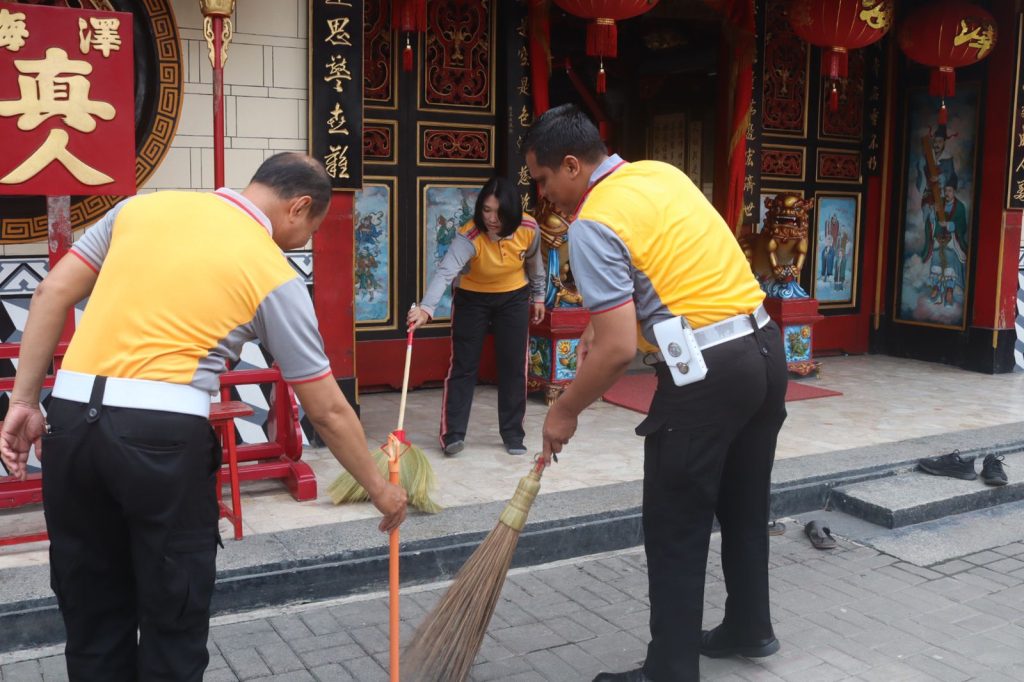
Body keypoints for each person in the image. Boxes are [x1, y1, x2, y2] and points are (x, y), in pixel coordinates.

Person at [0, 153, 408, 681]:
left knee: (92, 614)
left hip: (71, 423)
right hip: (160, 441)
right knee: (173, 617)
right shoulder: (270, 270)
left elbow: (50, 291)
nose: (301, 242)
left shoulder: (138, 210)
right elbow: (327, 408)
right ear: (299, 206)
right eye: (308, 229)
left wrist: (25, 402)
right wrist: (380, 489)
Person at [525, 104, 787, 682]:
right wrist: (600, 320)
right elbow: (670, 266)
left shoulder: (591, 223)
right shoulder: (658, 173)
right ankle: (750, 627)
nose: (545, 198)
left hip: (707, 375)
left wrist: (564, 410)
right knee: (744, 506)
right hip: (765, 349)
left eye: (544, 180)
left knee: (674, 524)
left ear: (572, 165)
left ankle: (669, 670)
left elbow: (618, 351)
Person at [408, 176, 546, 456]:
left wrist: (539, 296)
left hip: (514, 297)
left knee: (513, 365)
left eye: (499, 212)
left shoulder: (529, 228)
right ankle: (453, 435)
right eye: (486, 210)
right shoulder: (470, 234)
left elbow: (534, 263)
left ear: (513, 212)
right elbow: (446, 272)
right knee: (463, 366)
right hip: (472, 299)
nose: (492, 218)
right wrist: (426, 308)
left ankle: (513, 434)